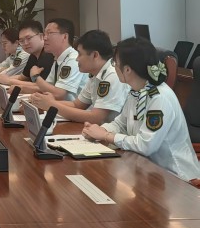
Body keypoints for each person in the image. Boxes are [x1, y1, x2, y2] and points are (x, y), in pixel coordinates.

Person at [82, 38, 200, 184]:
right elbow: (121, 124)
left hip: (176, 178)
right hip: (149, 171)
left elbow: (146, 145)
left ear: (127, 70)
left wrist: (106, 136)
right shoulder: (137, 91)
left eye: (115, 63)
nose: (114, 67)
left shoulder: (159, 98)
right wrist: (99, 130)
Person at [30, 30, 129, 123]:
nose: (77, 59)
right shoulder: (95, 75)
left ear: (95, 55)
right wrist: (43, 102)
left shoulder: (112, 75)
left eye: (80, 54)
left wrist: (52, 105)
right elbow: (77, 104)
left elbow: (96, 118)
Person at [17, 18, 87, 98]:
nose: (45, 38)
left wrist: (35, 76)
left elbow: (59, 94)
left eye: (49, 33)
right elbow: (47, 88)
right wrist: (23, 89)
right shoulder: (58, 59)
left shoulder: (73, 59)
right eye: (45, 34)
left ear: (64, 37)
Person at [0, 20, 54, 88]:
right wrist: (2, 79)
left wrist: (9, 81)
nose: (25, 43)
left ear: (41, 36)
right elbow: (22, 77)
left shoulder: (48, 55)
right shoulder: (33, 55)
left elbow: (41, 86)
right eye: (21, 40)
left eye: (28, 38)